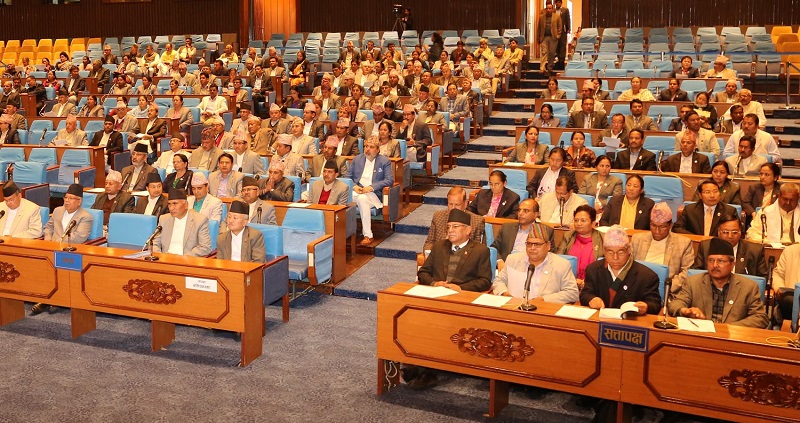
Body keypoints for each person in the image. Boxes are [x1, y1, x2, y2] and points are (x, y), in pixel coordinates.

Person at [669, 238, 768, 328]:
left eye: (721, 261)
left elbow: (760, 317)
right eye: (711, 260)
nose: (715, 265)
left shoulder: (748, 286)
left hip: (732, 336)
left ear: (732, 265)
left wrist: (728, 328)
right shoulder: (693, 282)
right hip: (701, 334)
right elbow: (674, 304)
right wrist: (685, 311)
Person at [34, 184, 93, 315]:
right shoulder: (57, 211)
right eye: (65, 197)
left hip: (70, 252)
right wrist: (48, 239)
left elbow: (79, 238)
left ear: (79, 201)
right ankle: (46, 297)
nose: (66, 201)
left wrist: (58, 245)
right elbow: (48, 227)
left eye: (71, 198)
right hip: (51, 248)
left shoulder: (86, 217)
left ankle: (52, 300)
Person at [581, 224, 662, 314]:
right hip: (600, 318)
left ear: (629, 250)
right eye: (610, 252)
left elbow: (655, 304)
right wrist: (591, 299)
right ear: (604, 251)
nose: (615, 257)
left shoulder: (647, 276)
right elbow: (585, 294)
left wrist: (646, 307)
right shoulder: (593, 270)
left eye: (620, 252)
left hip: (631, 320)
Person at [492, 220, 579, 303]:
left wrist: (544, 299)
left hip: (543, 309)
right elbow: (498, 281)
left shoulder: (561, 264)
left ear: (548, 246)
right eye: (529, 244)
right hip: (513, 306)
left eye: (537, 244)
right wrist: (504, 293)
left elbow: (572, 292)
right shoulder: (513, 259)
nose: (532, 248)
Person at [631, 202, 694, 293]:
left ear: (670, 225)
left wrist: (667, 287)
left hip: (667, 289)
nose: (657, 231)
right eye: (654, 226)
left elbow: (687, 272)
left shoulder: (683, 243)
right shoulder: (637, 239)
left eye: (662, 227)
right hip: (638, 287)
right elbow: (628, 265)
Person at [346, 137, 394, 245]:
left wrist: (371, 187)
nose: (368, 149)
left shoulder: (384, 161)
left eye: (371, 147)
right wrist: (354, 187)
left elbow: (389, 180)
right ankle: (342, 232)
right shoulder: (357, 159)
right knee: (343, 196)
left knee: (362, 199)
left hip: (373, 194)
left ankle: (368, 235)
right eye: (366, 146)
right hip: (356, 192)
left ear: (378, 149)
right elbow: (347, 177)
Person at [693, 214, 767, 277]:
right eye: (725, 232)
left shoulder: (755, 250)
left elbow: (762, 279)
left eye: (734, 232)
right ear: (719, 232)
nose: (730, 236)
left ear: (740, 232)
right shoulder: (706, 247)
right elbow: (696, 273)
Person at [554, 205, 604, 287]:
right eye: (576, 220)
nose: (579, 223)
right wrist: (573, 281)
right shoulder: (568, 236)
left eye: (583, 220)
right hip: (568, 283)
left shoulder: (603, 238)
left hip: (594, 285)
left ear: (593, 223)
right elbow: (557, 260)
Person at [424, 187, 485, 252]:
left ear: (465, 204)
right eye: (450, 204)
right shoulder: (438, 217)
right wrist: (429, 252)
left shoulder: (477, 221)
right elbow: (429, 243)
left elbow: (478, 250)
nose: (453, 208)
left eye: (457, 205)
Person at [154, 188, 212, 257]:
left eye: (175, 204)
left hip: (186, 260)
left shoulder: (199, 220)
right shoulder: (164, 219)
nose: (171, 208)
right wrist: (160, 256)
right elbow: (155, 243)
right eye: (169, 204)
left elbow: (205, 247)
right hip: (165, 259)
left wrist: (181, 258)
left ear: (186, 205)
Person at [673, 180, 739, 236]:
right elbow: (677, 228)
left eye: (715, 191)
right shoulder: (690, 209)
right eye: (707, 192)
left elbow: (738, 231)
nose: (712, 195)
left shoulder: (729, 211)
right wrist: (696, 238)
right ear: (700, 195)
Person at [772, 241, 800, 325]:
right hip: (790, 304)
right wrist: (779, 288)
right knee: (788, 300)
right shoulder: (790, 251)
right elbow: (778, 274)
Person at [536, 1, 562, 74]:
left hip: (553, 37)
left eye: (550, 8)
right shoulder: (541, 17)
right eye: (547, 8)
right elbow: (539, 28)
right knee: (544, 52)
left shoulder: (557, 17)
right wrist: (538, 37)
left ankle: (550, 67)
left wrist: (558, 35)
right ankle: (542, 68)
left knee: (551, 53)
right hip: (544, 37)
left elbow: (560, 27)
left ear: (552, 9)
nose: (548, 10)